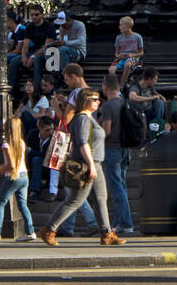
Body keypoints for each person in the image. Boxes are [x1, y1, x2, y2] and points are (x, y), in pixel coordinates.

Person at [40, 89, 124, 246]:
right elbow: (82, 143)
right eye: (94, 99)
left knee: (100, 199)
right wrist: (91, 164)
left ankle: (107, 233)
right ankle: (49, 229)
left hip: (95, 163)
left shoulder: (89, 118)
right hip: (86, 164)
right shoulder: (83, 119)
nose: (98, 102)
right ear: (85, 101)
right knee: (75, 200)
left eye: (98, 99)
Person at [0, 118, 36, 241]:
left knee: (0, 203)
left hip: (13, 177)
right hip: (24, 175)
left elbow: (10, 165)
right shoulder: (22, 143)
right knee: (23, 205)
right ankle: (30, 232)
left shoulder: (6, 145)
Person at [98, 73, 135, 236]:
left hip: (112, 149)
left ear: (106, 86)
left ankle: (126, 223)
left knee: (116, 188)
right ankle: (120, 222)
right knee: (122, 186)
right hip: (125, 149)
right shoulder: (124, 103)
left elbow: (107, 131)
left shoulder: (107, 106)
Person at [110, 17, 145, 89]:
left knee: (128, 64)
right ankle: (115, 86)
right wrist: (119, 56)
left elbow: (141, 53)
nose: (119, 27)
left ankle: (121, 86)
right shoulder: (118, 38)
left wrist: (131, 55)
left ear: (128, 26)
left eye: (121, 25)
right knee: (111, 70)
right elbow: (116, 54)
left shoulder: (138, 37)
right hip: (121, 59)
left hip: (135, 60)